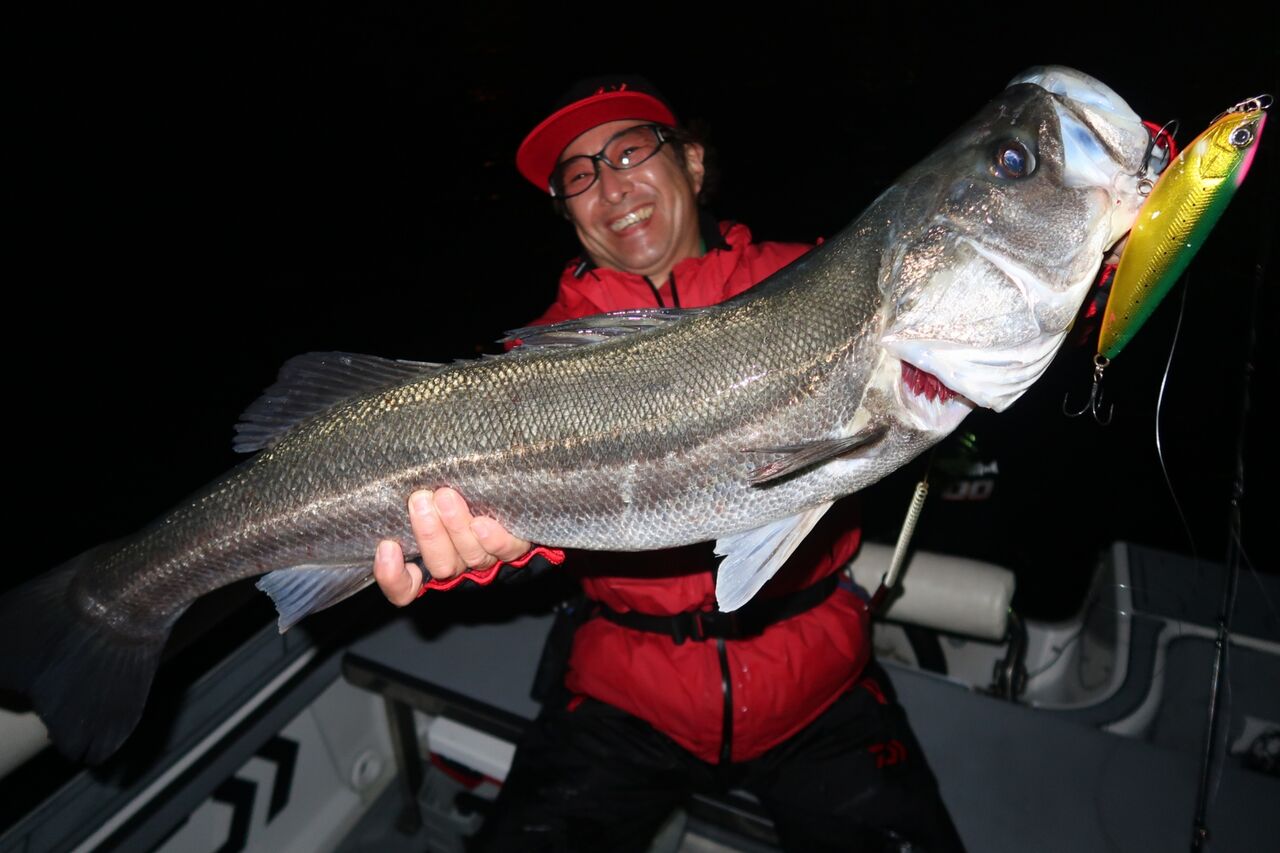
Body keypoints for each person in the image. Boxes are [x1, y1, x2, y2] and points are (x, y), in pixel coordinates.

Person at [372, 76, 966, 853]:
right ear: (567, 210)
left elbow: (964, 343)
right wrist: (464, 559)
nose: (611, 187)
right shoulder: (530, 365)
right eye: (579, 175)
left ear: (691, 161)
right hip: (627, 692)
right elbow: (513, 541)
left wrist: (1088, 299)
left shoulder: (824, 278)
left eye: (629, 151)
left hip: (816, 681)